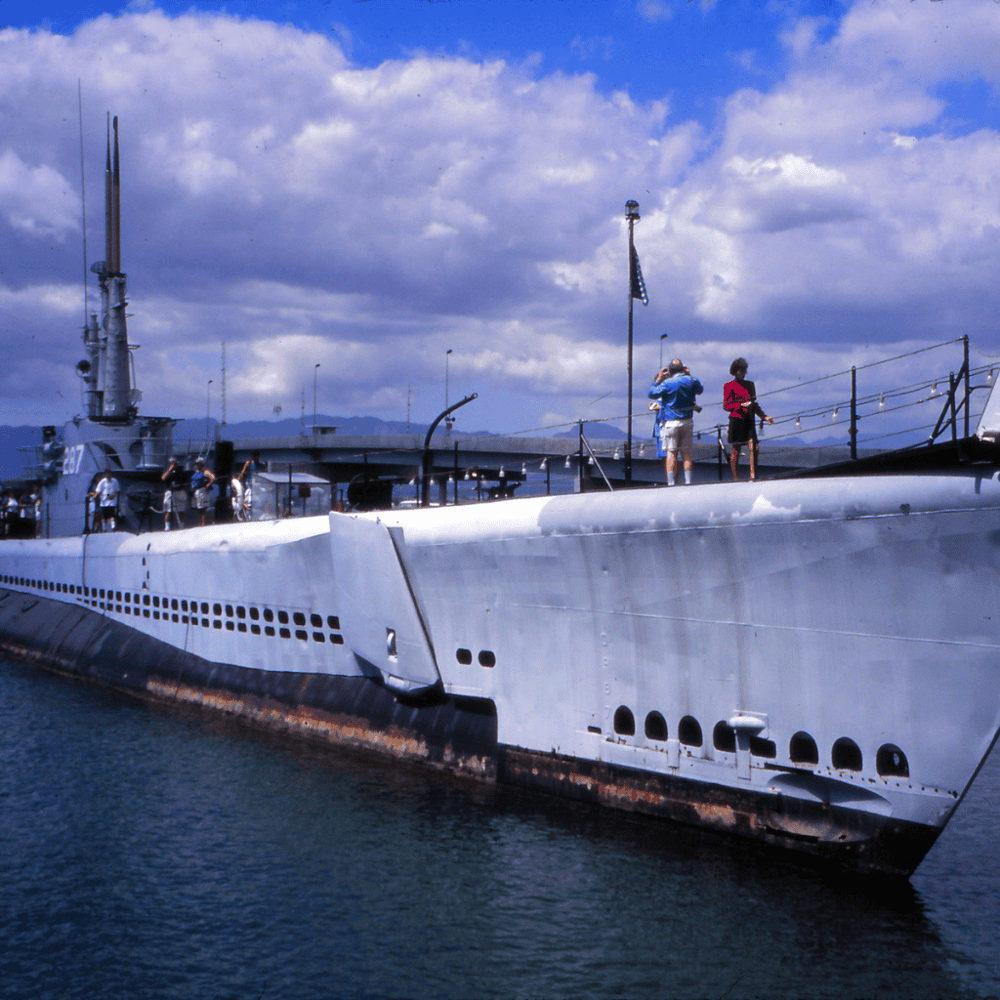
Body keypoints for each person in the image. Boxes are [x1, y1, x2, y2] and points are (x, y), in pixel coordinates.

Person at [648, 359, 703, 486]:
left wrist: (658, 378)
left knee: (671, 452)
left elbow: (652, 393)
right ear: (683, 368)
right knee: (686, 453)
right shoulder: (691, 380)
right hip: (687, 420)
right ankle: (688, 481)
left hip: (670, 422)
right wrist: (689, 374)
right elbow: (699, 390)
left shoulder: (667, 383)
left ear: (671, 370)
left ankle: (671, 483)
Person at [723, 357, 773, 482]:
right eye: (743, 370)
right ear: (737, 371)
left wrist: (764, 416)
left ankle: (753, 475)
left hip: (749, 420)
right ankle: (735, 477)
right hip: (737, 420)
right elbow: (726, 405)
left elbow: (754, 404)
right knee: (736, 449)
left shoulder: (750, 385)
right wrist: (740, 405)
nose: (744, 373)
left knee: (754, 447)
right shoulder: (729, 386)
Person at [189, 458, 216, 527]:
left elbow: (213, 478)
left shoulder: (205, 471)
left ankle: (203, 523)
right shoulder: (196, 471)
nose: (197, 465)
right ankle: (199, 523)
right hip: (195, 490)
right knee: (197, 507)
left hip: (202, 490)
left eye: (198, 464)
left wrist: (208, 484)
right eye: (197, 464)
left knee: (203, 508)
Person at [160, 456, 185, 531]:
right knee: (169, 510)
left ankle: (182, 526)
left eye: (175, 463)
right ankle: (167, 527)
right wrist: (170, 470)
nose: (174, 464)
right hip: (170, 491)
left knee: (181, 510)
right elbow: (163, 478)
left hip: (179, 491)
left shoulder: (181, 470)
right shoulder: (167, 470)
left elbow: (184, 481)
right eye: (172, 463)